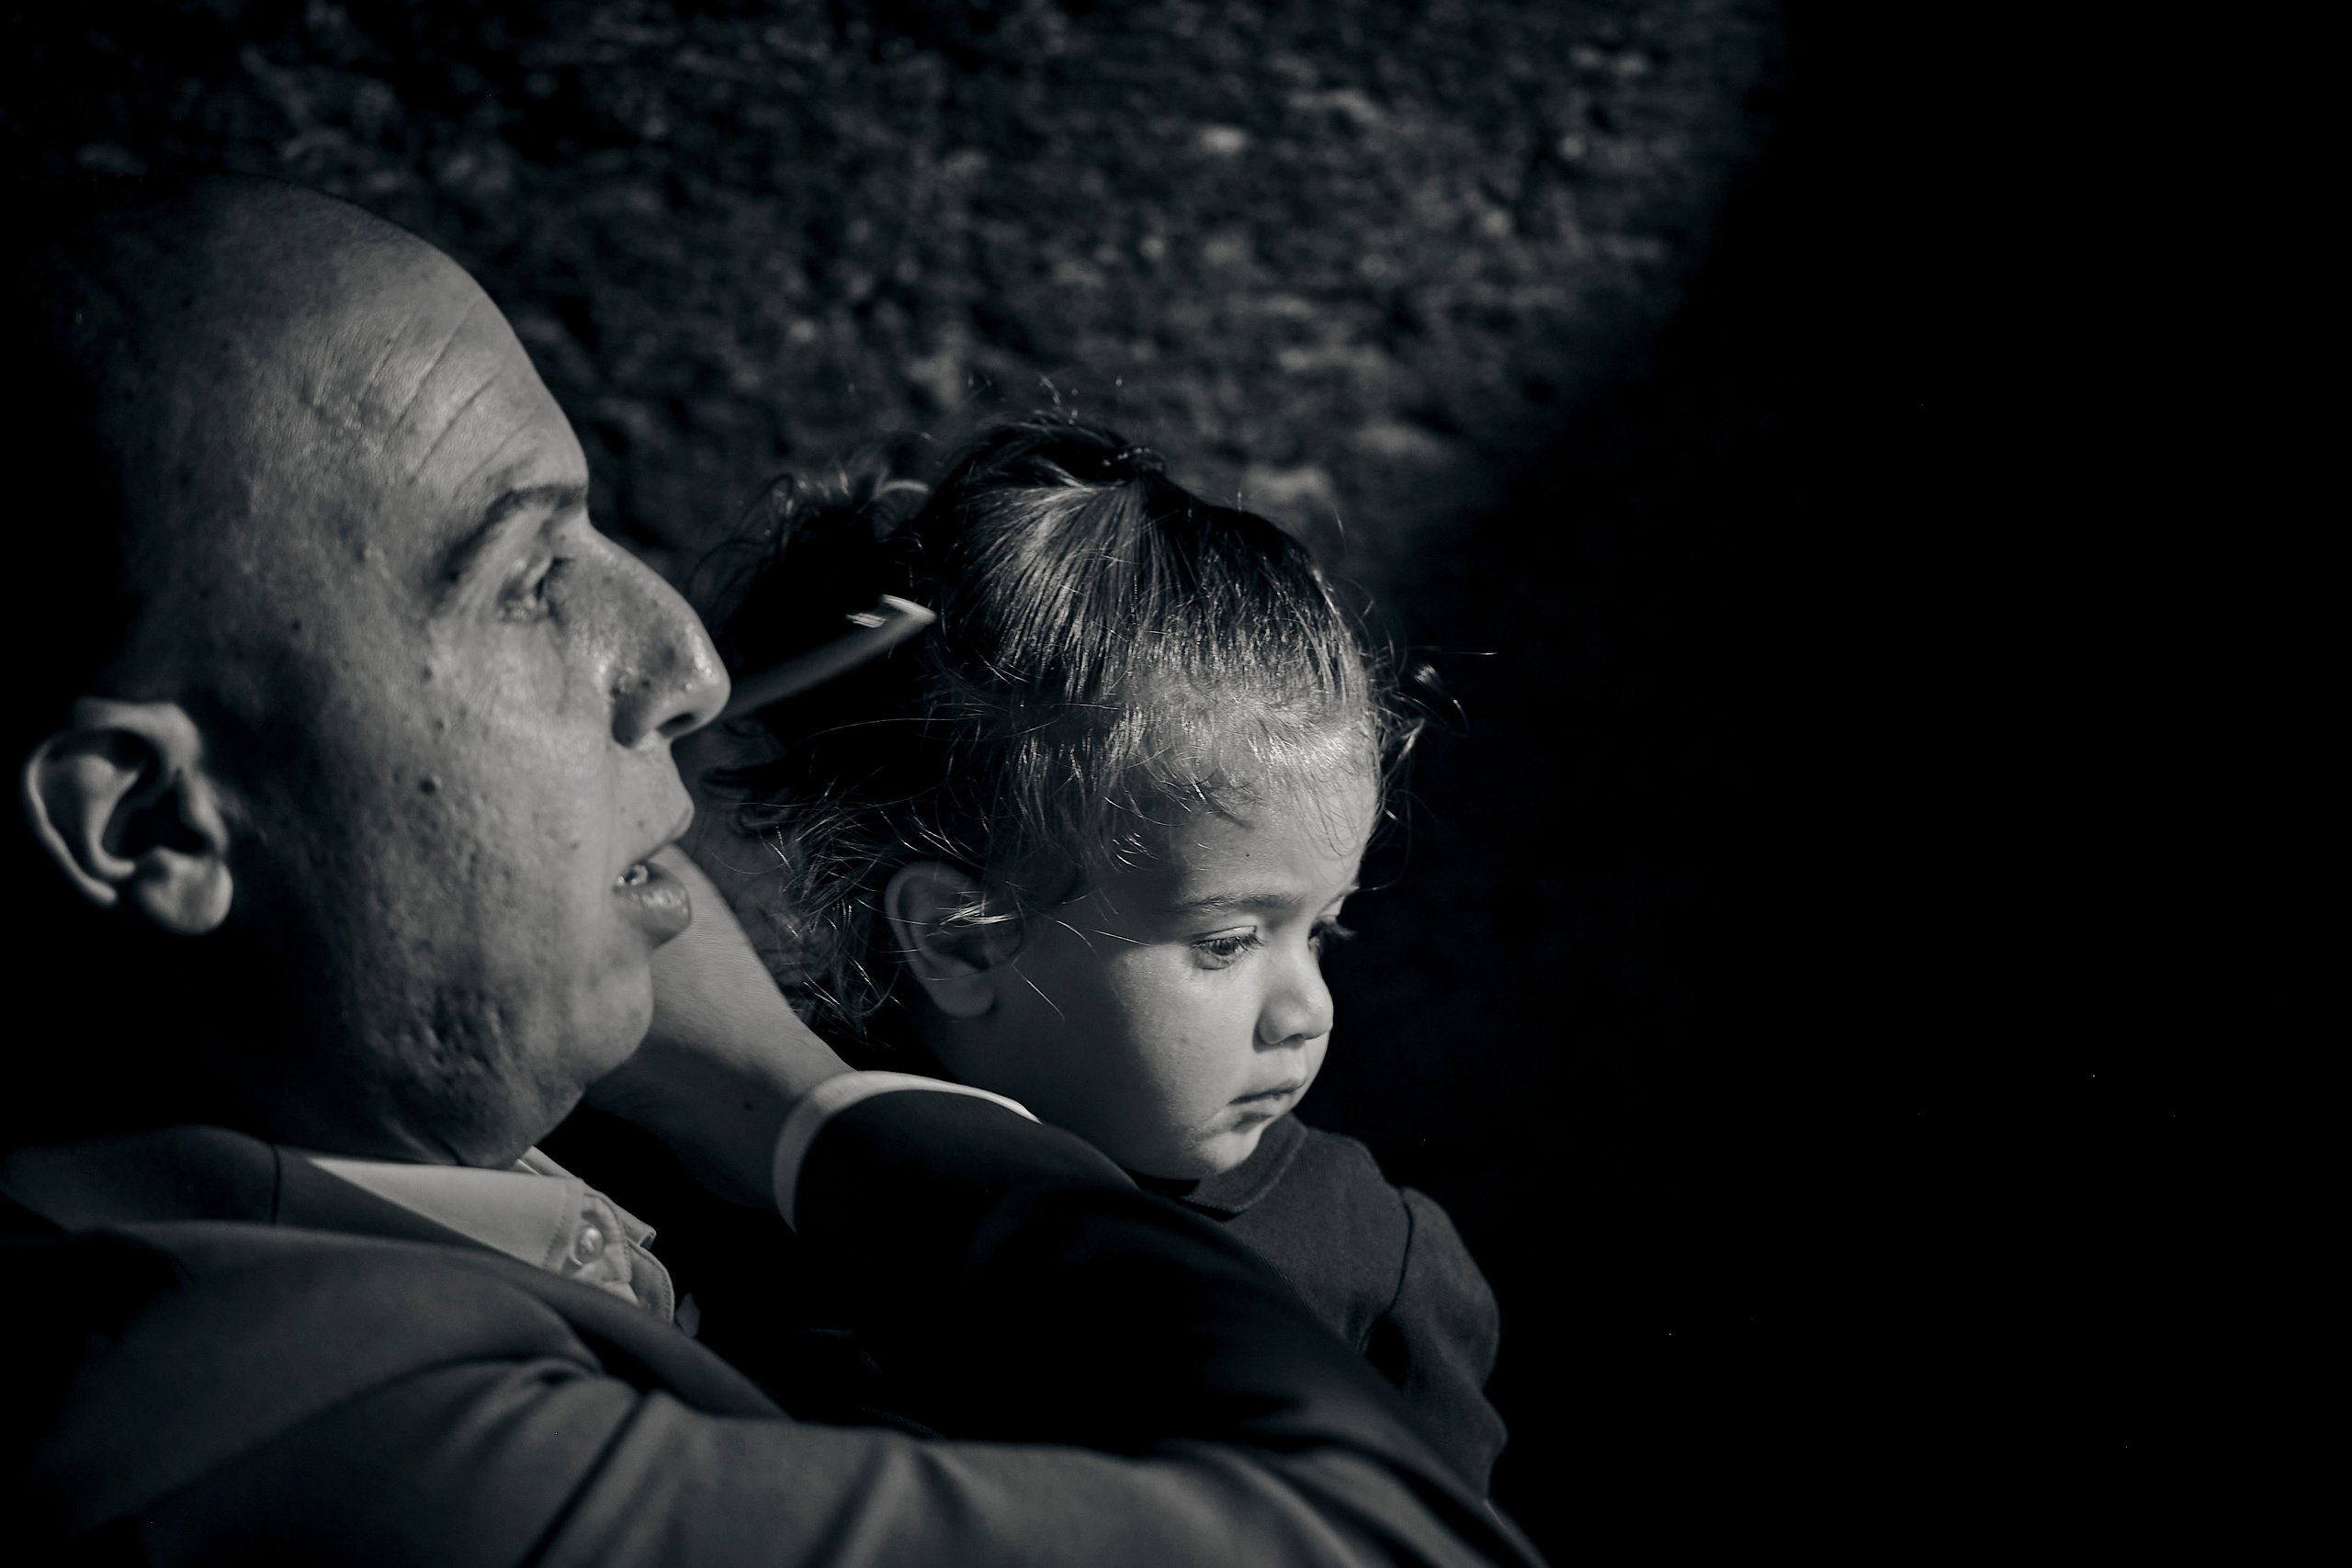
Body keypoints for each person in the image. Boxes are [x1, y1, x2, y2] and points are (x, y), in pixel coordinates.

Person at [0, 175, 1539, 1566]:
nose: (687, 661)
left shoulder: (498, 1154)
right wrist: (799, 1102)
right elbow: (1382, 1537)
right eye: (528, 577)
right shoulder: (261, 1427)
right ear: (153, 823)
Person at [663, 419, 1510, 1492]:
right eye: (1230, 941)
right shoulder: (749, 1197)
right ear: (957, 940)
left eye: (1325, 927)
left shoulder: (1368, 1266)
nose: (1306, 1012)